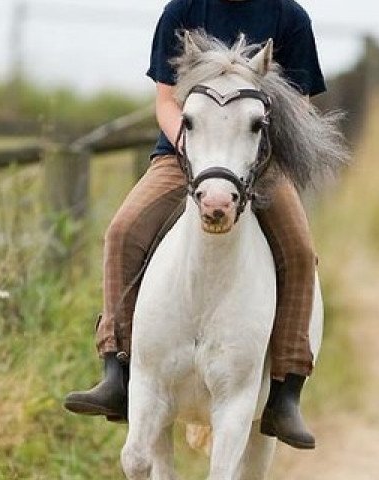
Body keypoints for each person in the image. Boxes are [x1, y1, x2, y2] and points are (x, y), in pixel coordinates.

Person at [64, 0, 326, 450]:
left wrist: (244, 144)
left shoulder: (290, 19)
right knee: (122, 232)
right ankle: (116, 366)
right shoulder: (181, 10)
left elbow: (297, 108)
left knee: (301, 253)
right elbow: (166, 100)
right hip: (185, 156)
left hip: (257, 159)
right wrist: (193, 147)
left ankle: (285, 390)